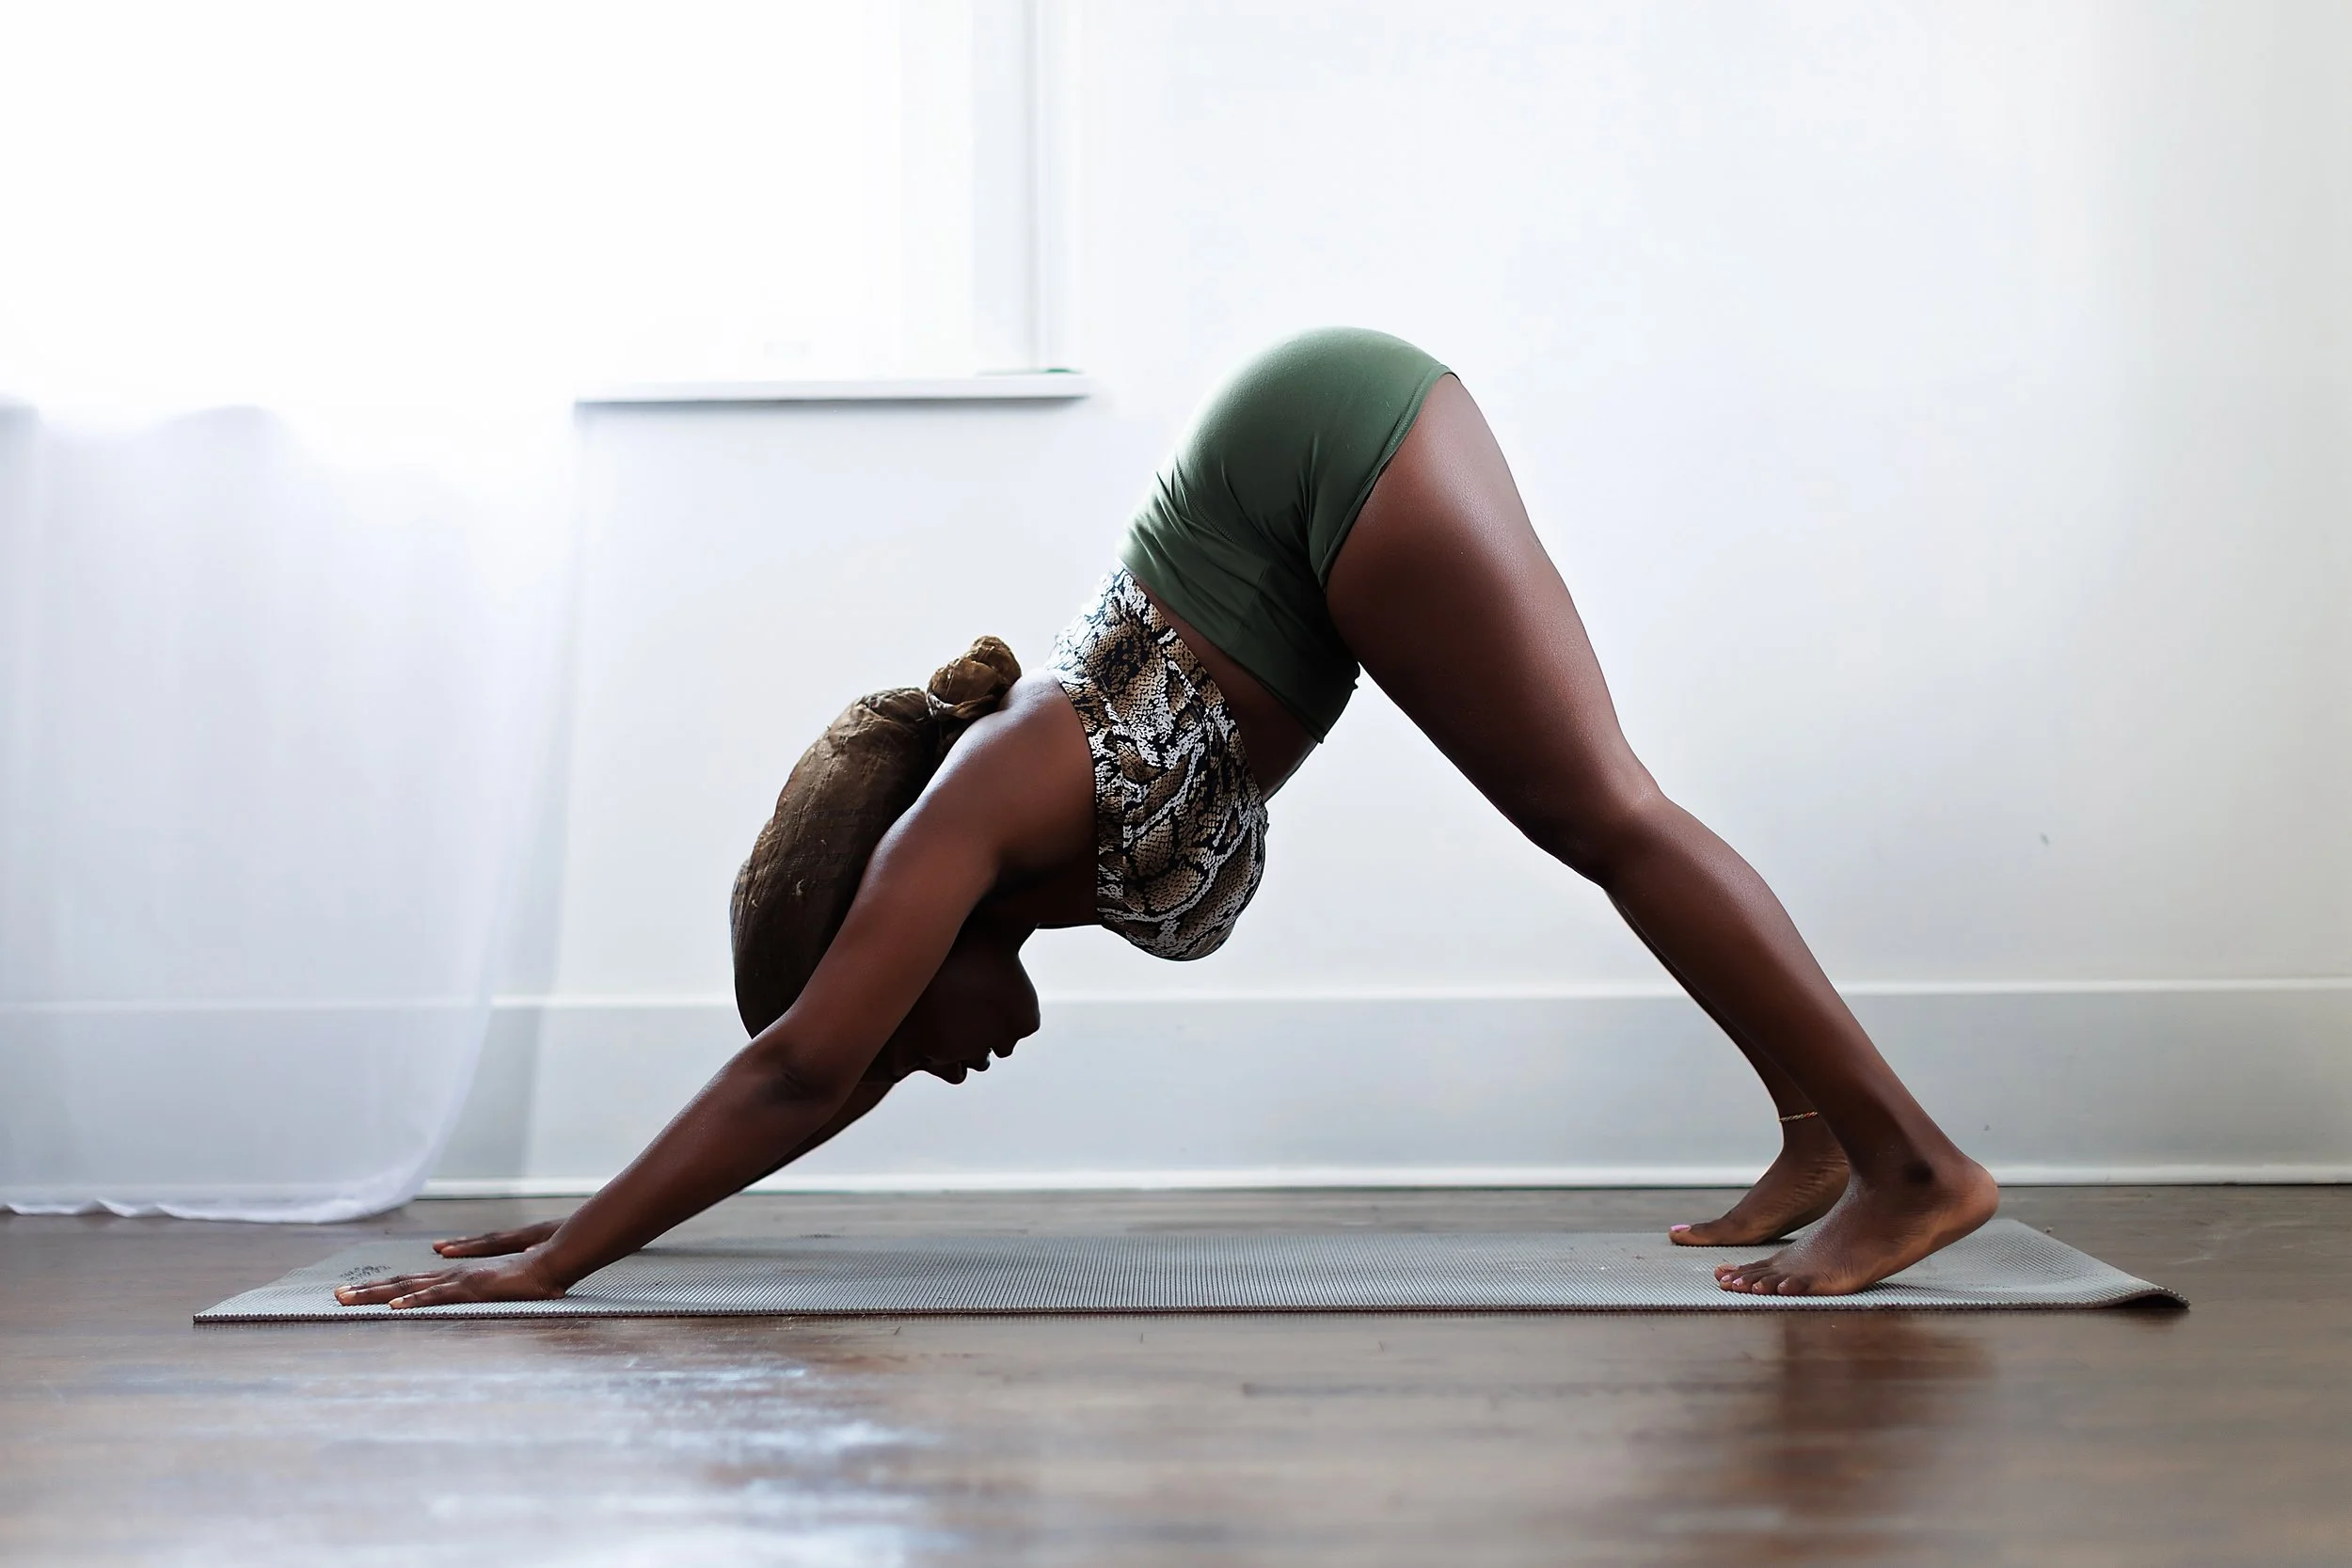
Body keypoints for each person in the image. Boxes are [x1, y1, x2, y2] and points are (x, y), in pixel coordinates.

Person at [337, 328, 1994, 1310]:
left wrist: (545, 1278)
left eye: (908, 1038)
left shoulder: (980, 803)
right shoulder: (983, 869)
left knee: (1608, 815)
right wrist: (584, 1221)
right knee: (1605, 816)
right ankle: (1820, 1132)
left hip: (1327, 459)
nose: (934, 1066)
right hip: (1314, 492)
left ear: (903, 945)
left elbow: (797, 1066)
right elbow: (824, 1075)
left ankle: (1913, 1160)